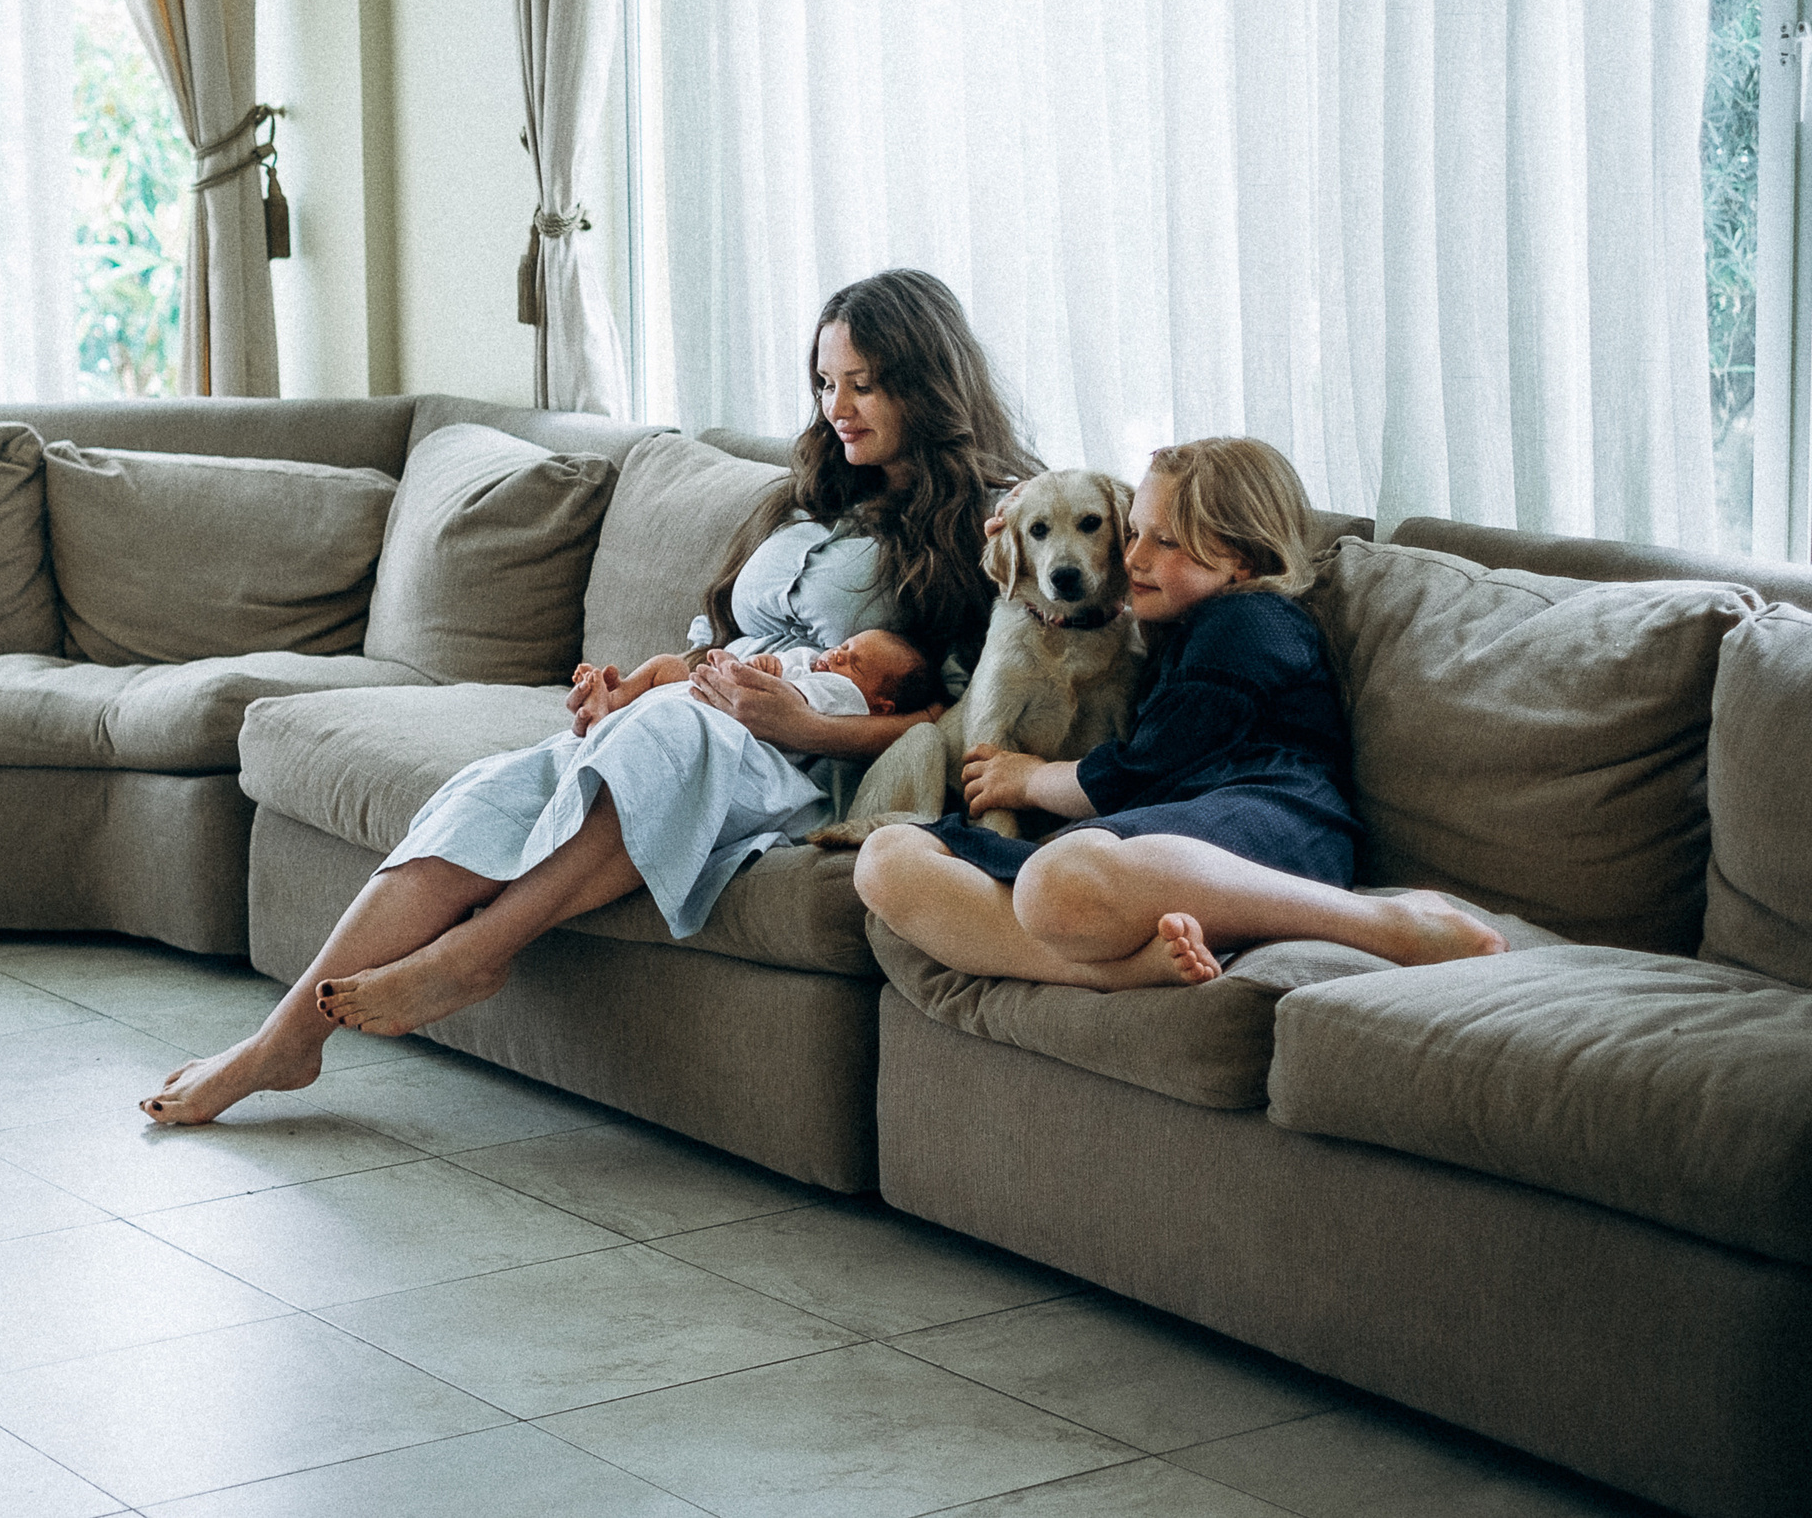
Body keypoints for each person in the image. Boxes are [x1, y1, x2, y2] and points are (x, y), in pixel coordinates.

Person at [142, 267, 1042, 1124]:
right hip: (701, 714)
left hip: (805, 764)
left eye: (864, 386)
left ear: (927, 386)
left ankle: (472, 955)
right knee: (487, 794)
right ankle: (282, 1043)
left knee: (672, 744)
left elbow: (963, 719)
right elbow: (721, 639)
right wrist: (631, 688)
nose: (835, 410)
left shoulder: (990, 521)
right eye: (824, 384)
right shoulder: (813, 495)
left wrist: (804, 722)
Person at [853, 436, 1509, 989]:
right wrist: (1023, 516)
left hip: (1273, 820)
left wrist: (1025, 781)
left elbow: (1143, 767)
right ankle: (1125, 969)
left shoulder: (1250, 618)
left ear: (1240, 558)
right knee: (885, 859)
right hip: (1164, 841)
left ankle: (1388, 925)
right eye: (1132, 532)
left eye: (1163, 542)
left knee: (1057, 878)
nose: (1132, 557)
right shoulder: (1172, 630)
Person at [572, 628, 941, 730]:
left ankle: (609, 716)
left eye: (853, 664)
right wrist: (762, 663)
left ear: (880, 705)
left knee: (671, 681)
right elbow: (776, 672)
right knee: (667, 664)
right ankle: (616, 699)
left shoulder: (847, 698)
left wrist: (739, 667)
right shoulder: (812, 661)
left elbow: (778, 703)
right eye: (844, 645)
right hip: (713, 687)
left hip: (732, 714)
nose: (838, 655)